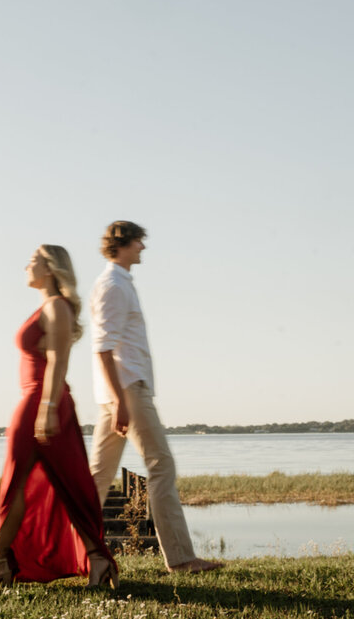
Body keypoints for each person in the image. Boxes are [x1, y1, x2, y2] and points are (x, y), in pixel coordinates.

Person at [0, 245, 119, 589]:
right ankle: (92, 561)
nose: (26, 265)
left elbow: (58, 361)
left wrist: (48, 409)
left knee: (59, 484)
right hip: (37, 400)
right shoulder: (47, 307)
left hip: (43, 401)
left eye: (33, 261)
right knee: (34, 484)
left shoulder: (57, 308)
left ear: (51, 269)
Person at [88, 221, 223, 573]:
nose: (143, 248)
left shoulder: (119, 283)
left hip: (118, 391)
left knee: (97, 479)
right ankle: (181, 559)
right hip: (127, 391)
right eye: (138, 242)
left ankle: (66, 551)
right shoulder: (113, 286)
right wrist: (120, 401)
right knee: (162, 466)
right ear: (121, 245)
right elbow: (102, 348)